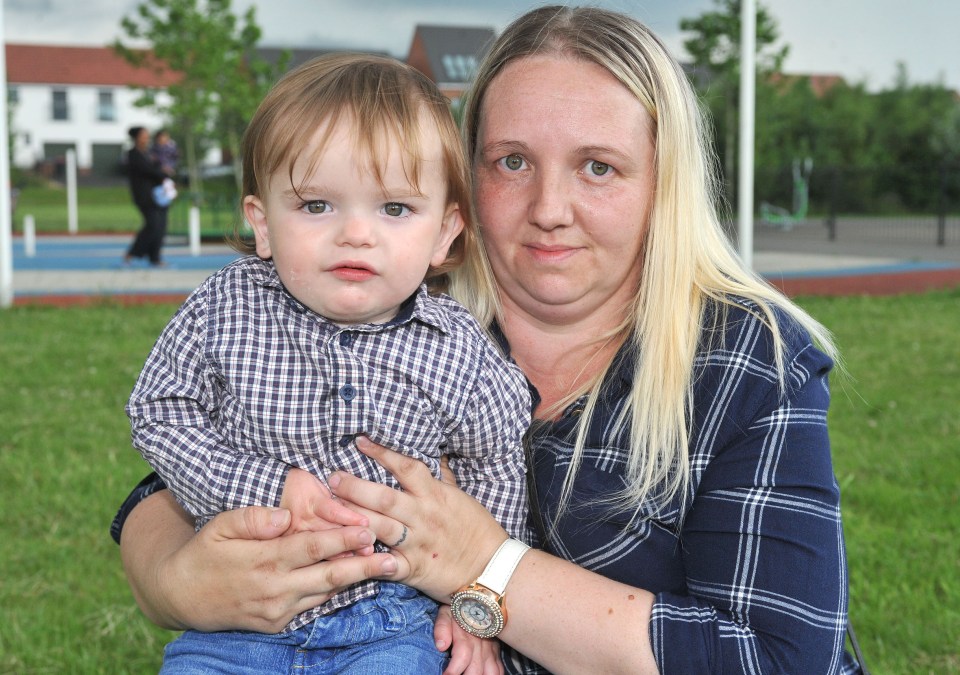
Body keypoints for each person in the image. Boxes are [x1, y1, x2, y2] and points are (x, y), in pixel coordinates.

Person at [113, 6, 864, 674]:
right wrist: (171, 581)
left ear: (663, 186)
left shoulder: (745, 358)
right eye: (512, 162)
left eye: (598, 167)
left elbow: (779, 655)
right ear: (461, 185)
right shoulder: (399, 301)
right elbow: (185, 463)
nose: (549, 208)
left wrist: (484, 570)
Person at [124, 53, 530, 673]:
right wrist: (266, 487)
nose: (356, 233)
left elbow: (496, 460)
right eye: (317, 205)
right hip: (237, 616)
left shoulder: (457, 348)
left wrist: (476, 594)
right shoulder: (225, 307)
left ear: (446, 233)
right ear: (262, 225)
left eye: (395, 208)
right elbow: (158, 410)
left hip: (390, 621)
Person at [124, 126, 171, 267]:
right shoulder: (133, 154)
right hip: (143, 196)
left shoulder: (150, 153)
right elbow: (147, 170)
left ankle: (155, 257)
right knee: (152, 224)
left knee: (161, 226)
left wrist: (165, 174)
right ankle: (132, 253)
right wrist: (162, 173)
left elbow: (158, 167)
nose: (147, 137)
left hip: (158, 195)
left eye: (147, 134)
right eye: (144, 135)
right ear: (136, 137)